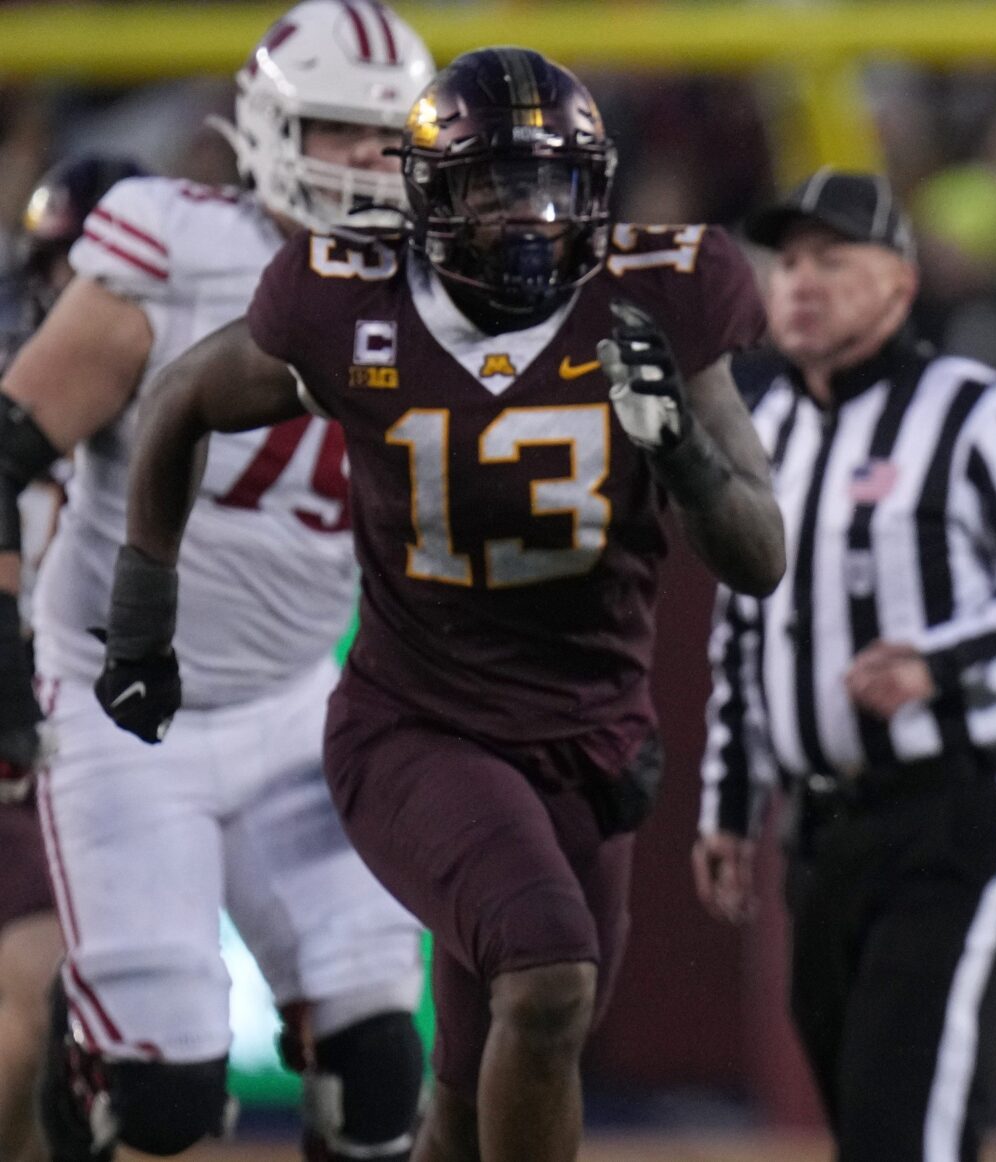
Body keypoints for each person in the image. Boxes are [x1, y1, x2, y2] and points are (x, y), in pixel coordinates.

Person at [100, 46, 785, 1162]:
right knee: (549, 979)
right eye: (493, 186)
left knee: (476, 1091)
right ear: (427, 197)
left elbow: (759, 556)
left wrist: (685, 456)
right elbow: (180, 397)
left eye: (550, 186)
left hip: (591, 739)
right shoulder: (349, 299)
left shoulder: (662, 293)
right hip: (420, 726)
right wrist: (142, 619)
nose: (526, 216)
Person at [2, 7, 436, 1159]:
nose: (367, 160)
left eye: (388, 134)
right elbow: (7, 450)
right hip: (123, 711)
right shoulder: (176, 248)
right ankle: (95, 1051)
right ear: (270, 130)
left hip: (298, 705)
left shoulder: (444, 282)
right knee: (164, 1104)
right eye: (338, 129)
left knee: (380, 1071)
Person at [694, 169, 996, 1162]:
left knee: (908, 1132)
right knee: (868, 1125)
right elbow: (743, 627)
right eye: (787, 261)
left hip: (957, 808)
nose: (801, 282)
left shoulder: (978, 414)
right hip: (820, 827)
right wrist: (728, 804)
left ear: (897, 282)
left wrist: (943, 660)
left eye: (831, 260)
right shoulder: (766, 429)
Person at [0, 153, 142, 1162]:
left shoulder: (197, 397)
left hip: (95, 756)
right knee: (37, 1012)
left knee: (106, 1040)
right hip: (25, 747)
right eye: (72, 273)